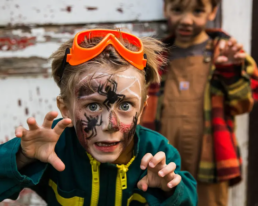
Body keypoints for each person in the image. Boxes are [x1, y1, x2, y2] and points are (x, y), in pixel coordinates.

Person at [0, 29, 197, 205]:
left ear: (142, 108)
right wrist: (21, 158)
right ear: (66, 108)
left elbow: (190, 199)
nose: (111, 124)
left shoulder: (156, 154)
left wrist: (169, 190)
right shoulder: (53, 147)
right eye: (93, 106)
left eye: (125, 105)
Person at [141, 0, 258, 205]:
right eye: (177, 10)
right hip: (162, 154)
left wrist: (231, 72)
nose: (187, 20)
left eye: (197, 11)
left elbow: (243, 104)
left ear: (213, 11)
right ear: (165, 9)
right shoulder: (155, 59)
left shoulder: (228, 54)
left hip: (210, 157)